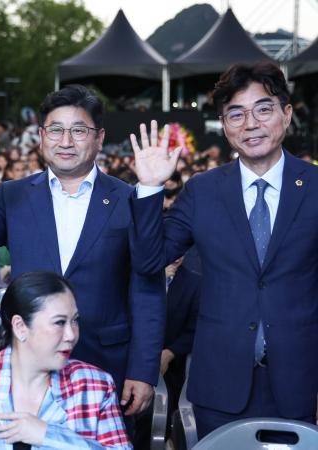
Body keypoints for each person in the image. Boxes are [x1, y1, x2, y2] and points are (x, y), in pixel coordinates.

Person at [0, 84, 165, 417]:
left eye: (79, 130)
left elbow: (147, 289)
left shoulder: (128, 200)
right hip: (27, 364)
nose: (65, 141)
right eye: (56, 130)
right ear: (42, 135)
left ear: (99, 137)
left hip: (106, 364)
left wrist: (143, 370)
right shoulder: (13, 195)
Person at [129, 61, 318, 438]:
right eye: (236, 114)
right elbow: (149, 259)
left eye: (263, 109)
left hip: (302, 382)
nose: (251, 124)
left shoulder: (314, 186)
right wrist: (150, 188)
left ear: (286, 113)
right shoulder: (203, 190)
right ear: (225, 126)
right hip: (221, 385)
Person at [0, 271, 132, 449]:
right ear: (20, 327)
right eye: (59, 322)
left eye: (75, 321)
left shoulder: (94, 386)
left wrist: (48, 435)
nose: (71, 335)